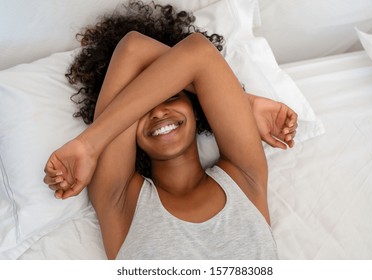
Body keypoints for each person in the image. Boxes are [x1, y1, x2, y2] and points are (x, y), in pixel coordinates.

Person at [43, 1, 297, 260]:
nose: (158, 112)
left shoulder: (244, 179)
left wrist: (237, 100)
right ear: (125, 126)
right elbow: (132, 49)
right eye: (141, 110)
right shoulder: (119, 200)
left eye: (173, 96)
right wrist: (89, 146)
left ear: (197, 109)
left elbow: (199, 54)